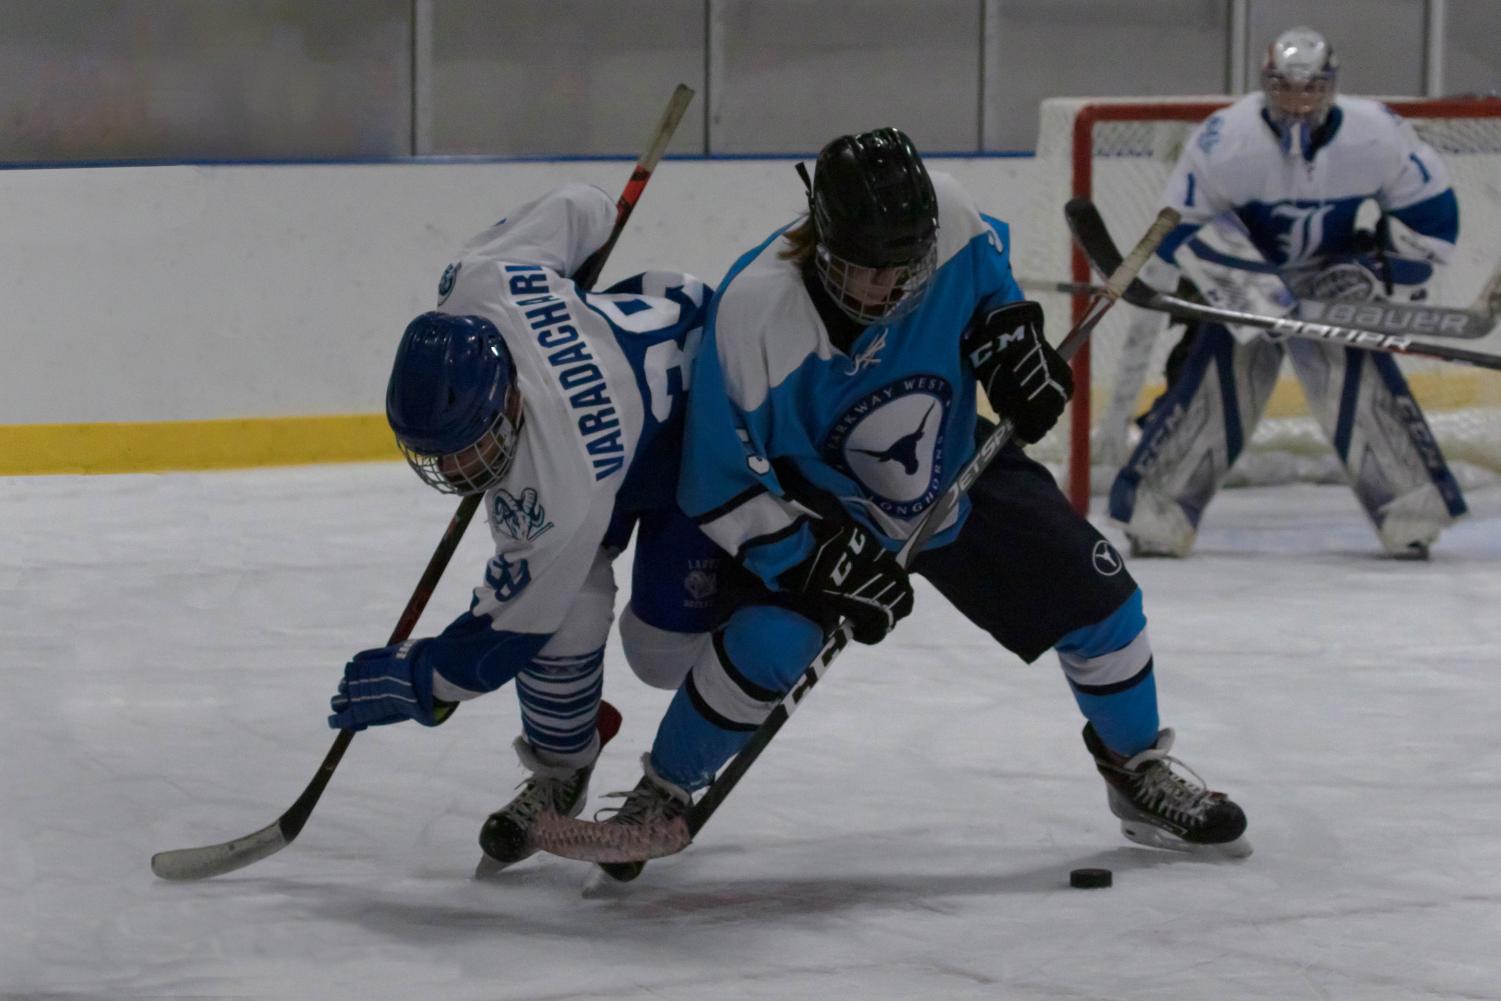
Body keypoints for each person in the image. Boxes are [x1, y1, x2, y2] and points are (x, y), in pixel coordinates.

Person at [592, 127, 1250, 883]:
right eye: (864, 272)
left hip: (947, 454)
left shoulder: (952, 214)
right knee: (770, 644)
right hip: (825, 497)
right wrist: (803, 555)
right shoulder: (753, 313)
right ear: (820, 237)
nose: (886, 291)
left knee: (1101, 596)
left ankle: (1135, 770)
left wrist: (1010, 344)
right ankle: (663, 790)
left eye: (904, 270)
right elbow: (716, 480)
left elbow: (991, 302)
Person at [324, 183, 718, 873]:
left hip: (705, 428)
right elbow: (585, 204)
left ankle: (751, 644)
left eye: (466, 445)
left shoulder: (554, 482)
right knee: (571, 611)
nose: (451, 466)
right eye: (436, 451)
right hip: (637, 377)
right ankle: (561, 770)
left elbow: (501, 637)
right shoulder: (484, 276)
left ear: (507, 397)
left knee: (657, 651)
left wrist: (418, 679)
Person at [1105, 26, 1467, 559]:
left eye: (1311, 87)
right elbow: (1181, 225)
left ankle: (1411, 516)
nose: (1298, 100)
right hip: (1244, 273)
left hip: (1334, 274)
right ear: (1265, 83)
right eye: (1285, 86)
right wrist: (1247, 288)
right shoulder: (1224, 138)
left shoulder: (1376, 133)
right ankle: (1156, 517)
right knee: (1218, 380)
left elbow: (1432, 217)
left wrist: (1378, 274)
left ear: (1331, 85)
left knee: (1356, 376)